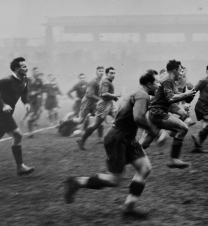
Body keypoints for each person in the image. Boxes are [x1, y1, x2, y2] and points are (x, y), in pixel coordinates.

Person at [64, 69, 160, 217]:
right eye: (157, 83)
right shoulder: (142, 95)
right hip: (118, 138)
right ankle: (76, 182)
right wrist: (155, 133)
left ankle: (129, 207)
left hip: (127, 138)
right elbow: (139, 118)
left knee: (145, 168)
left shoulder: (138, 93)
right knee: (114, 180)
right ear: (149, 84)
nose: (159, 86)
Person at [139, 60, 196, 168]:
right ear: (175, 70)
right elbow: (171, 98)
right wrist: (186, 94)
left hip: (158, 112)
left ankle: (125, 156)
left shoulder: (171, 80)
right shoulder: (167, 80)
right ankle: (174, 159)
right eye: (180, 70)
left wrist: (188, 95)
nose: (181, 72)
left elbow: (173, 95)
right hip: (158, 113)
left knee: (144, 144)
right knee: (183, 128)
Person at [76, 67, 120, 150]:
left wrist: (113, 98)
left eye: (114, 73)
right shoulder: (103, 82)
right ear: (107, 74)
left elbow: (104, 93)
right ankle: (82, 140)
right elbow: (103, 94)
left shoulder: (105, 81)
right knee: (96, 124)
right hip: (103, 105)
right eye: (111, 73)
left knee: (118, 119)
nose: (113, 75)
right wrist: (114, 96)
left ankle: (116, 140)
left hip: (109, 103)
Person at [58, 66, 105, 138]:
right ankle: (64, 124)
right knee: (80, 119)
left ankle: (84, 131)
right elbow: (68, 92)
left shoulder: (89, 83)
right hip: (80, 104)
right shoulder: (77, 85)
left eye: (84, 78)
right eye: (81, 78)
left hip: (90, 103)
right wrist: (74, 98)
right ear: (79, 79)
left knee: (91, 117)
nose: (83, 79)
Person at [26, 70, 44, 138]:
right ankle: (30, 132)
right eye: (36, 72)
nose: (37, 73)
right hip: (30, 100)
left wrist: (36, 92)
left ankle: (31, 123)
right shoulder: (28, 79)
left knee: (36, 116)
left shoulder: (39, 80)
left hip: (37, 100)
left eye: (38, 72)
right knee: (30, 115)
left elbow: (42, 89)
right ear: (33, 72)